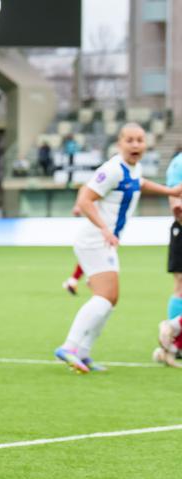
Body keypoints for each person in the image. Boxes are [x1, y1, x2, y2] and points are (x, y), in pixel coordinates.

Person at [54, 124, 182, 373]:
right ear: (119, 144)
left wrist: (169, 191)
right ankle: (69, 347)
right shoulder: (112, 169)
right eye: (130, 140)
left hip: (104, 241)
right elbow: (85, 199)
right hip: (94, 240)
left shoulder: (133, 169)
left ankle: (83, 352)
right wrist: (104, 228)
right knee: (104, 298)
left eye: (140, 140)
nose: (135, 145)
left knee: (110, 300)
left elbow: (140, 183)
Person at [154, 146, 182, 366]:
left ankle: (173, 339)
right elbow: (176, 203)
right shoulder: (179, 163)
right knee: (181, 286)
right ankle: (174, 337)